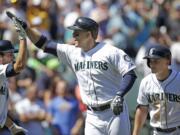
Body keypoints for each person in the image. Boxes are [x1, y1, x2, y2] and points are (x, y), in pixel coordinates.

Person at [7, 12, 137, 135]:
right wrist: (27, 28)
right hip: (92, 115)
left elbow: (130, 73)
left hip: (114, 112)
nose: (73, 35)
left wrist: (120, 95)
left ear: (89, 34)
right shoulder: (72, 52)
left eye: (77, 32)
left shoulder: (110, 51)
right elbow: (44, 44)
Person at [133, 44, 180, 135]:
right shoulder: (146, 82)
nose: (152, 64)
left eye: (156, 61)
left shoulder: (179, 80)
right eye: (150, 61)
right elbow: (142, 109)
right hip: (156, 132)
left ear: (167, 61)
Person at [0, 17, 27, 135]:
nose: (13, 58)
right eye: (10, 54)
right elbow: (19, 66)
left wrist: (12, 127)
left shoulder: (3, 77)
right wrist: (22, 37)